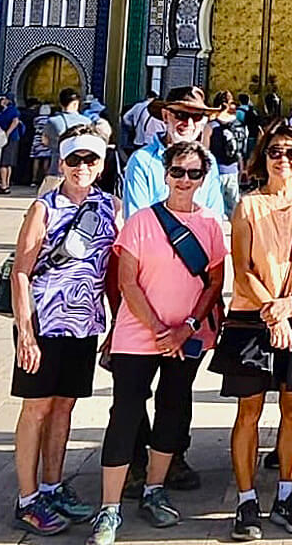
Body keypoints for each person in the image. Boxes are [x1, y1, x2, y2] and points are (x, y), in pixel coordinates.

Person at [86, 140, 227, 545]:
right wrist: (158, 329)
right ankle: (109, 508)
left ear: (204, 179)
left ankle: (154, 490)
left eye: (193, 173)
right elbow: (127, 280)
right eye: (178, 171)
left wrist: (186, 326)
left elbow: (215, 282)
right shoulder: (141, 222)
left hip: (187, 335)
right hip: (138, 334)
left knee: (172, 407)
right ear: (165, 174)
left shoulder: (211, 225)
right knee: (126, 413)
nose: (184, 180)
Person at [220, 124, 292, 540]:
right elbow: (243, 267)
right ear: (262, 156)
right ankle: (246, 500)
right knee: (248, 409)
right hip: (254, 315)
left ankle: (286, 494)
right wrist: (274, 311)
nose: (282, 158)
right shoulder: (247, 206)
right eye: (275, 151)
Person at [11, 124, 121, 534]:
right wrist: (26, 331)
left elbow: (112, 272)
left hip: (83, 323)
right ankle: (27, 497)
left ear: (101, 163)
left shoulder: (110, 207)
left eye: (89, 159)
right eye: (74, 159)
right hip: (42, 321)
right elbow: (22, 272)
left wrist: (114, 324)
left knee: (63, 406)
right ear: (62, 163)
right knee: (36, 407)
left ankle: (53, 485)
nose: (81, 167)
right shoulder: (44, 208)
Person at [123, 87, 226, 222]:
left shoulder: (208, 161)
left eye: (196, 117)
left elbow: (214, 217)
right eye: (181, 115)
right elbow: (136, 222)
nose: (188, 123)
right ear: (166, 116)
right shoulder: (142, 160)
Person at [209, 92, 247, 217]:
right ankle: (238, 234)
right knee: (234, 209)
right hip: (233, 169)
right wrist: (241, 169)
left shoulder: (211, 126)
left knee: (213, 208)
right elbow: (240, 149)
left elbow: (204, 152)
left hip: (216, 171)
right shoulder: (237, 124)